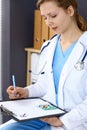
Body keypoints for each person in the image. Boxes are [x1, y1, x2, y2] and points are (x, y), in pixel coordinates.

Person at [1, 0, 87, 130]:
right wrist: (26, 92)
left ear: (70, 11)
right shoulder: (48, 47)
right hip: (46, 113)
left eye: (53, 16)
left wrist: (61, 122)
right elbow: (44, 85)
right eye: (45, 18)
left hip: (73, 120)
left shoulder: (84, 47)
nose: (48, 22)